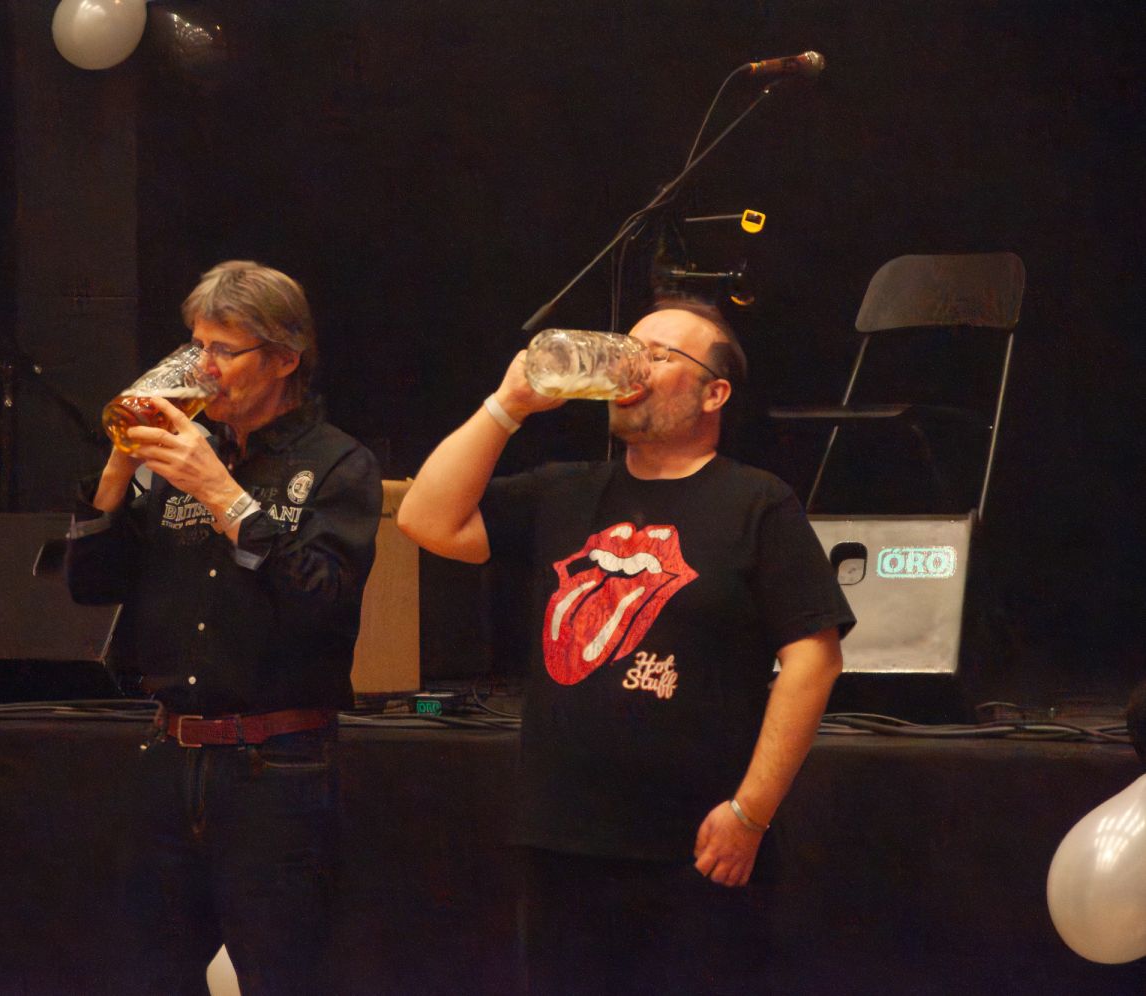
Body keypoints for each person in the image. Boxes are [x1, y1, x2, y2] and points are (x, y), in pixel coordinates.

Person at [398, 300, 855, 993]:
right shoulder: (566, 490)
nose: (632, 369)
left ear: (714, 393)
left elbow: (814, 659)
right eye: (628, 350)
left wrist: (750, 811)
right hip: (561, 839)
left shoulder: (757, 503)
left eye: (659, 356)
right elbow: (425, 519)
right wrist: (507, 406)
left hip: (696, 844)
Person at [65, 260, 382, 994]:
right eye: (196, 346)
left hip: (278, 766)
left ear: (284, 358)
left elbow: (323, 600)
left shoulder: (338, 463)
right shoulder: (178, 454)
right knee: (148, 974)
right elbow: (90, 587)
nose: (203, 368)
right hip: (169, 753)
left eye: (223, 350)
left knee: (282, 974)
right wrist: (118, 466)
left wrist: (221, 492)